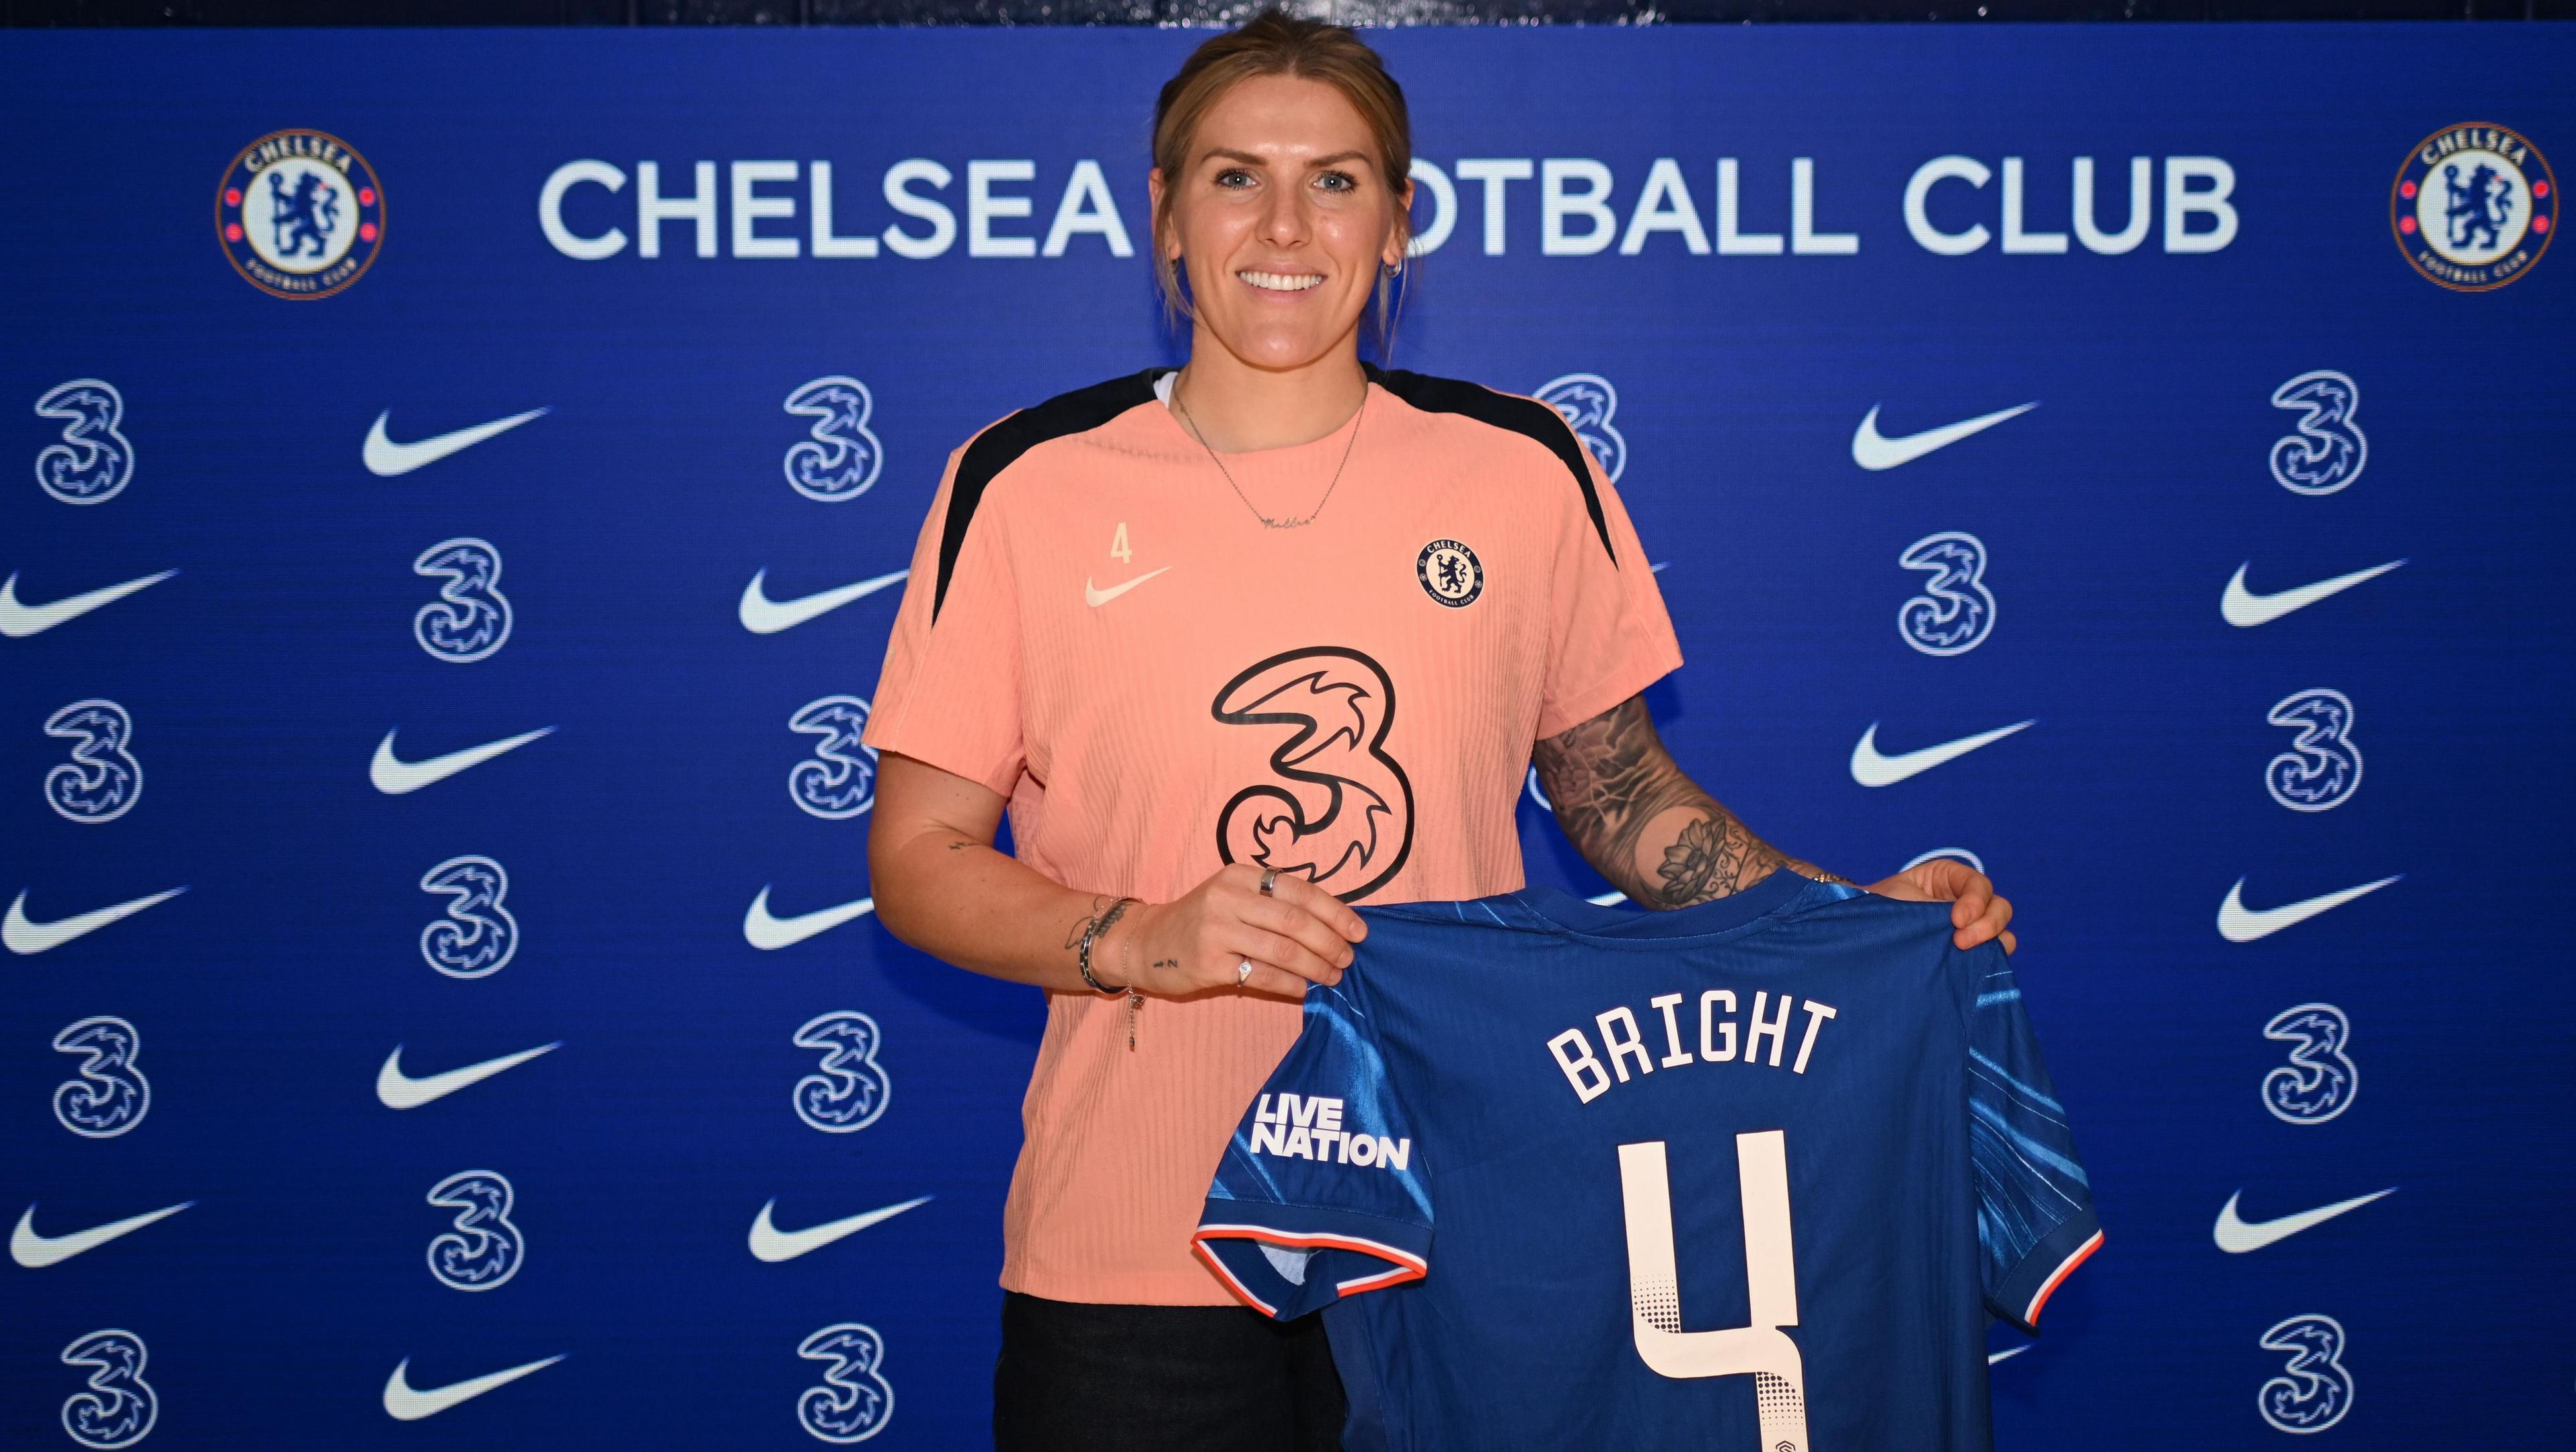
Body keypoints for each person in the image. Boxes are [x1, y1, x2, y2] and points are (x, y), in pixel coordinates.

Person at [862, 11, 2016, 1450]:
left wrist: (1854, 926)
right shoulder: (1023, 481)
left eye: (1337, 181)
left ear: (1401, 223)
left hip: (1470, 1240)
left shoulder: (1521, 468)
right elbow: (918, 856)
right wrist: (1134, 937)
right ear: (1159, 216)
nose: (1286, 224)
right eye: (1234, 178)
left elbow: (1621, 800)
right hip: (1132, 1256)